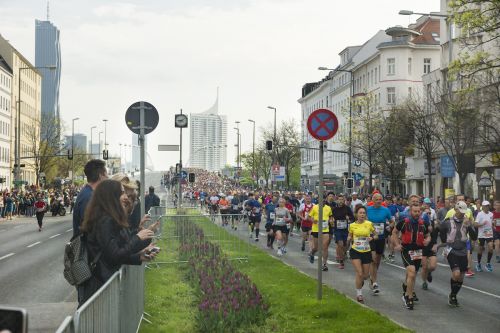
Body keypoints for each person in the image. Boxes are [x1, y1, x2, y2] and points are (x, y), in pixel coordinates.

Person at [79, 179, 156, 305]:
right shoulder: (105, 221)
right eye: (122, 193)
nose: (126, 197)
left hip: (103, 284)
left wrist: (139, 257)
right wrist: (138, 237)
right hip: (99, 286)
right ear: (111, 196)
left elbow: (112, 255)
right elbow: (115, 254)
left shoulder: (107, 218)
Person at [437, 201, 477, 307]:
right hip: (452, 250)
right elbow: (441, 230)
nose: (462, 214)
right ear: (455, 209)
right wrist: (444, 242)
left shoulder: (466, 221)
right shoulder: (447, 221)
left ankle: (453, 295)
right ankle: (453, 296)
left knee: (461, 277)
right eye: (460, 211)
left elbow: (474, 237)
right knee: (456, 274)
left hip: (463, 251)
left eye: (464, 212)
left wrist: (469, 226)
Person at [392, 204, 430, 310]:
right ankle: (408, 297)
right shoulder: (403, 222)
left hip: (418, 251)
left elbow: (428, 235)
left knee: (412, 275)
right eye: (415, 211)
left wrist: (427, 240)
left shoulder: (423, 224)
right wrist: (397, 244)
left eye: (418, 212)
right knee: (412, 272)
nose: (417, 213)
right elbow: (394, 232)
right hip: (406, 250)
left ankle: (406, 288)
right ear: (410, 212)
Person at [347, 206, 376, 303]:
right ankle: (359, 294)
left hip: (366, 251)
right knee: (359, 273)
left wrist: (372, 238)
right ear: (356, 214)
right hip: (355, 251)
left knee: (365, 276)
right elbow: (350, 236)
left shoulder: (369, 224)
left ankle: (361, 281)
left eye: (364, 213)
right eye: (360, 213)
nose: (362, 215)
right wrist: (349, 239)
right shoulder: (352, 225)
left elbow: (376, 235)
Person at [366, 193, 394, 294]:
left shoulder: (385, 210)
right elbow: (361, 220)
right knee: (373, 259)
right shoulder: (367, 209)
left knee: (377, 261)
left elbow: (391, 221)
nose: (378, 201)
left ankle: (372, 276)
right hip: (371, 237)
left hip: (381, 237)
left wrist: (389, 226)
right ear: (372, 200)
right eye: (376, 199)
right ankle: (374, 282)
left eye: (380, 199)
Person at [73, 159, 108, 237]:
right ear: (101, 176)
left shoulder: (87, 193)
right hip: (88, 247)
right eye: (106, 175)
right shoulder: (89, 197)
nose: (107, 178)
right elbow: (91, 228)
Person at [308, 201, 333, 272]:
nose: (323, 200)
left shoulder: (328, 208)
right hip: (316, 230)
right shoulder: (315, 207)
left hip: (325, 230)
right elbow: (309, 217)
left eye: (324, 199)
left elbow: (331, 217)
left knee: (325, 247)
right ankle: (312, 253)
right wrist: (313, 220)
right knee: (316, 248)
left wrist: (331, 221)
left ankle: (324, 264)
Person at [332, 194, 354, 269]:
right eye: (339, 199)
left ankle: (343, 254)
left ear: (344, 200)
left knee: (345, 245)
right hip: (337, 229)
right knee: (340, 244)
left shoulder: (347, 208)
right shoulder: (334, 209)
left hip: (345, 230)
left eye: (342, 200)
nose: (341, 201)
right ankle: (341, 262)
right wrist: (332, 220)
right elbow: (331, 218)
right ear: (337, 200)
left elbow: (352, 217)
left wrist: (349, 218)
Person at [474, 201, 494, 272]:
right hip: (481, 234)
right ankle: (478, 264)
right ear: (483, 206)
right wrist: (482, 224)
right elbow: (475, 225)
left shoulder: (491, 214)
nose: (487, 207)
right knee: (480, 249)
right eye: (485, 206)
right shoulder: (479, 214)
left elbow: (492, 222)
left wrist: (493, 225)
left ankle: (488, 263)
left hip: (489, 234)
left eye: (488, 206)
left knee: (491, 248)